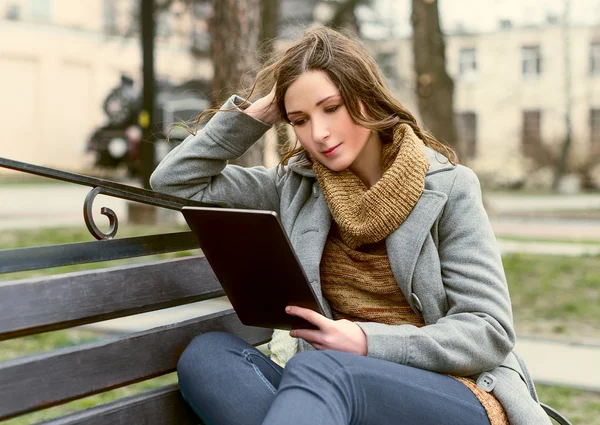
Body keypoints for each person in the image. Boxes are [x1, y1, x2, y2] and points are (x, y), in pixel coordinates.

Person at [150, 26, 551, 425]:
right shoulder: (293, 187)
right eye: (300, 119)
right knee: (208, 357)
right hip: (336, 390)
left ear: (365, 96)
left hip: (453, 391)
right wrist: (259, 112)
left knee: (324, 369)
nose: (318, 134)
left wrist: (365, 342)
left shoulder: (450, 189)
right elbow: (175, 180)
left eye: (331, 107)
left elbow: (488, 331)